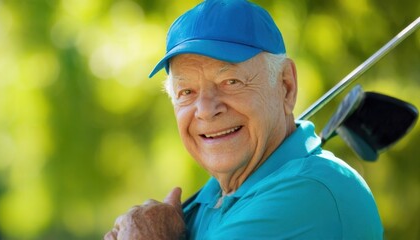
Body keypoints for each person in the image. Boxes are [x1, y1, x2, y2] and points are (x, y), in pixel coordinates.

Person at [104, 0, 384, 239]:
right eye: (186, 91)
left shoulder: (311, 193)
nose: (205, 109)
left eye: (230, 81)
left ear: (286, 86)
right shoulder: (211, 199)